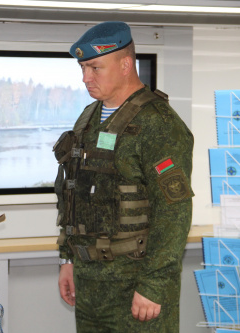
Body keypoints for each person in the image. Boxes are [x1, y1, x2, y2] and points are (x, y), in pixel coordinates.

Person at [53, 21, 193, 332]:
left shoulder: (159, 124)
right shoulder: (87, 118)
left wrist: (154, 285)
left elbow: (174, 211)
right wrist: (68, 260)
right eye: (82, 68)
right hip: (89, 285)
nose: (85, 78)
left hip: (136, 284)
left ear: (125, 64)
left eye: (95, 68)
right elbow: (71, 194)